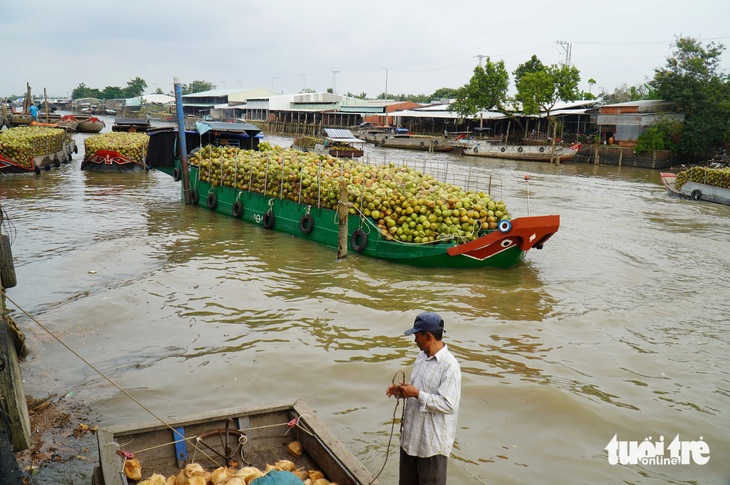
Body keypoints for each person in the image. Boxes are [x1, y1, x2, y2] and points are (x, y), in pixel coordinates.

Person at [386, 311, 461, 485]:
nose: (415, 340)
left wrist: (417, 393)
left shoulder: (450, 366)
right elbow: (416, 392)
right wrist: (401, 391)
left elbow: (449, 404)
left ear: (428, 336)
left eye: (417, 336)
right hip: (411, 440)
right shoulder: (421, 358)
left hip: (431, 446)